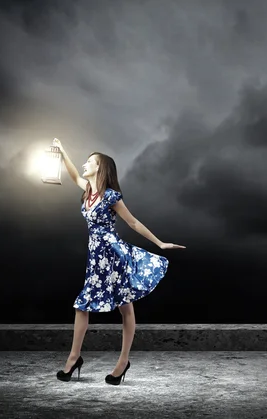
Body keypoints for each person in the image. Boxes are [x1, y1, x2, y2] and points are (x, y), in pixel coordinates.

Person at [53, 138, 186, 385]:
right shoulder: (88, 192)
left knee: (125, 306)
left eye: (89, 161)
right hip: (96, 258)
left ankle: (122, 361)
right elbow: (73, 176)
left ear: (101, 168)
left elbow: (133, 222)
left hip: (114, 255)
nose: (85, 164)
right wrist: (61, 151)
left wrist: (160, 243)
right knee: (82, 305)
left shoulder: (111, 196)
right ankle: (73, 358)